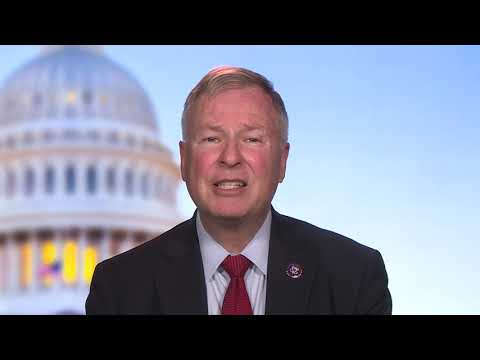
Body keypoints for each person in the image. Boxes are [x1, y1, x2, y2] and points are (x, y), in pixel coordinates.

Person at [85, 66, 392, 315]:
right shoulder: (120, 289)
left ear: (282, 160)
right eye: (211, 139)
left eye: (252, 139)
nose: (230, 158)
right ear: (184, 159)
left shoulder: (353, 276)